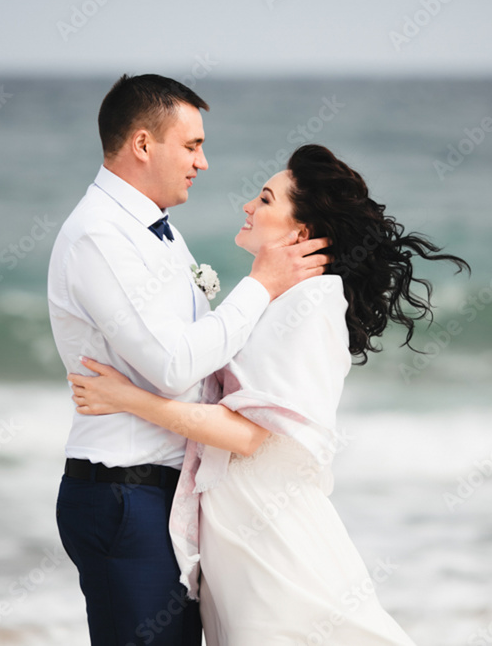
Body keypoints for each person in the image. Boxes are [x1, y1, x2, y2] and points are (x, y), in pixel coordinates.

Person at [69, 144, 470, 645]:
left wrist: (131, 399)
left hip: (270, 532)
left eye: (264, 199)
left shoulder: (312, 301)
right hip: (243, 527)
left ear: (300, 233)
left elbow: (249, 435)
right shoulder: (282, 298)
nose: (247, 206)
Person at [47, 74, 332, 646]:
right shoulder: (99, 238)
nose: (203, 162)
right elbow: (174, 367)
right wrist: (260, 286)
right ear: (144, 145)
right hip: (123, 493)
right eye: (192, 144)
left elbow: (200, 364)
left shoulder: (158, 232)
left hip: (163, 495)